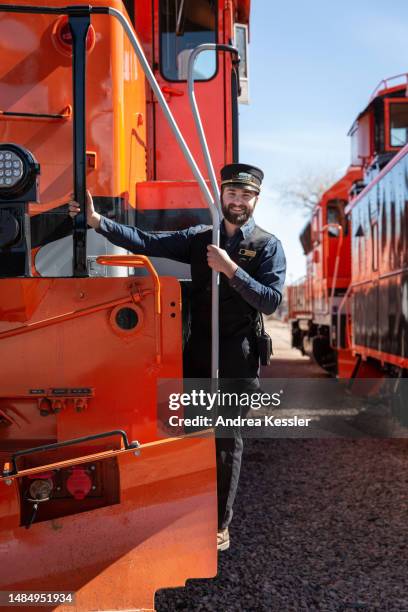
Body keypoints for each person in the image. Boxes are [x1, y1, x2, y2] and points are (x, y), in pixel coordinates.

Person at [69, 163, 286, 551]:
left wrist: (231, 269)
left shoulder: (268, 245)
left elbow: (270, 302)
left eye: (245, 196)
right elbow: (146, 242)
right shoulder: (200, 238)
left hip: (237, 362)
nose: (238, 202)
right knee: (188, 436)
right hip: (198, 356)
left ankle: (219, 524)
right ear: (222, 196)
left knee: (225, 443)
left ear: (256, 200)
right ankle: (184, 515)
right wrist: (98, 222)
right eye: (232, 194)